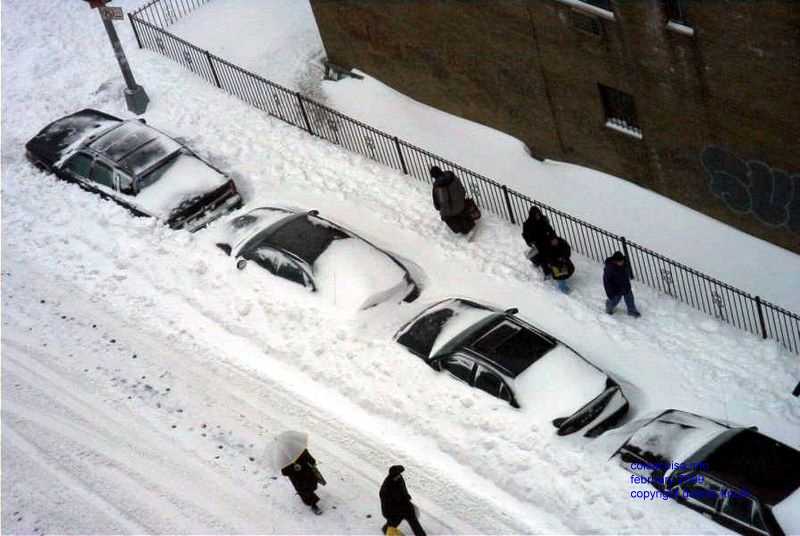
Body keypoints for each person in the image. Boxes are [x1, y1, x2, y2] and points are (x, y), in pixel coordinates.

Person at [379, 465, 426, 536]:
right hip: (394, 510)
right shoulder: (387, 486)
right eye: (397, 475)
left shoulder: (399, 478)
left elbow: (403, 489)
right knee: (395, 521)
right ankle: (386, 528)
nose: (399, 476)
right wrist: (390, 513)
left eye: (399, 474)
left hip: (404, 506)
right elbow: (385, 502)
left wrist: (407, 496)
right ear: (393, 475)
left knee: (412, 519)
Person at [430, 165, 476, 235]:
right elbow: (463, 191)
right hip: (462, 205)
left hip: (450, 212)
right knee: (457, 209)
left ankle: (460, 228)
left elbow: (437, 206)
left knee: (445, 215)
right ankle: (467, 222)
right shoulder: (453, 177)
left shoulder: (437, 188)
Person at [281, 449, 325, 515]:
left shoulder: (298, 448)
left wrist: (312, 462)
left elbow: (309, 457)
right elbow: (284, 472)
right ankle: (313, 504)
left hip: (307, 472)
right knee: (304, 491)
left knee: (312, 485)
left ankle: (310, 494)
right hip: (297, 478)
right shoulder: (282, 456)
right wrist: (294, 468)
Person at [603, 251, 641, 317]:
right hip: (615, 288)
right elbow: (607, 281)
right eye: (619, 262)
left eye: (622, 261)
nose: (621, 263)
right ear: (615, 261)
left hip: (625, 286)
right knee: (615, 300)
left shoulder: (625, 264)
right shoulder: (610, 268)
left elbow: (626, 275)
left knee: (629, 298)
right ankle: (609, 306)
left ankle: (631, 310)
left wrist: (628, 285)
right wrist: (609, 292)